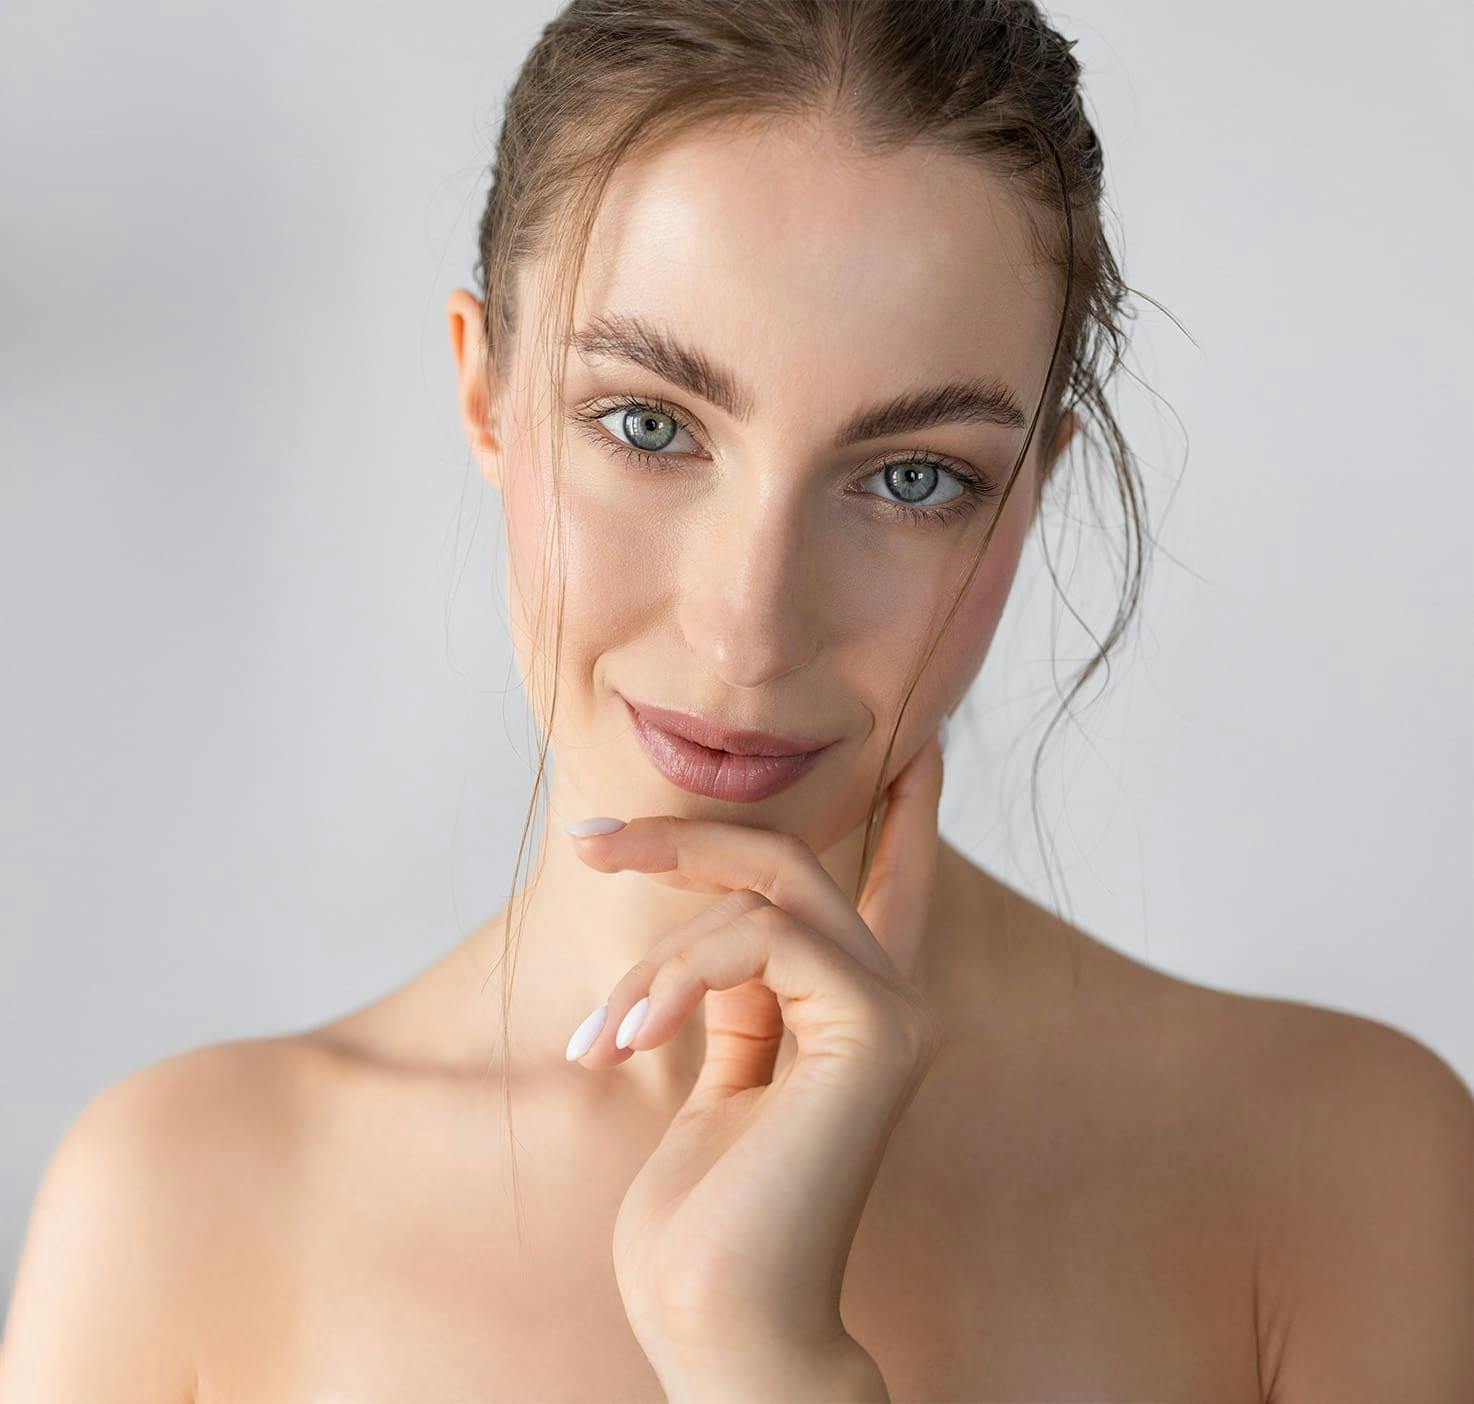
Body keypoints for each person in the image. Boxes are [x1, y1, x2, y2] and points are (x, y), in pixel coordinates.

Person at [4, 1, 1472, 1400]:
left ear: (1028, 493)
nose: (749, 625)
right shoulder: (184, 1204)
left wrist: (761, 1362)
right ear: (484, 396)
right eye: (647, 424)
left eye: (911, 478)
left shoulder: (1335, 1168)